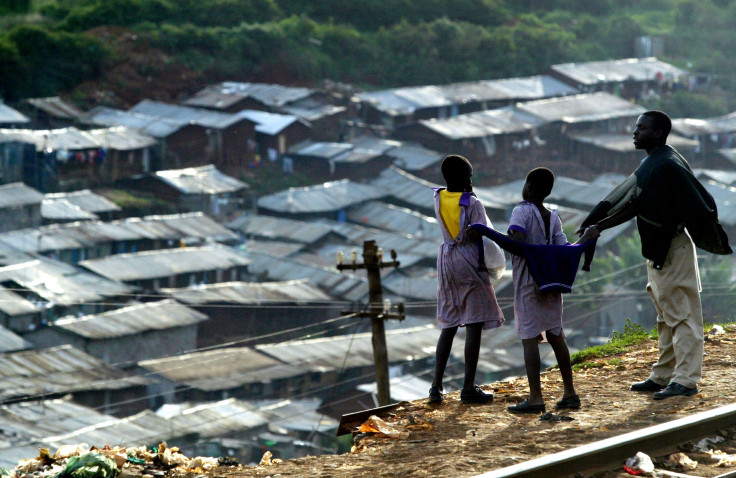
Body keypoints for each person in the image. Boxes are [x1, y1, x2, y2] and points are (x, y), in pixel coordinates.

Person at [578, 110, 732, 400]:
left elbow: (635, 204)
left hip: (673, 248)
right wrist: (598, 226)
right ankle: (663, 375)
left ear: (658, 133)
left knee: (683, 316)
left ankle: (686, 380)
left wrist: (598, 225)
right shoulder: (655, 162)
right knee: (666, 315)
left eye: (642, 128)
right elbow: (634, 203)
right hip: (662, 248)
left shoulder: (664, 164)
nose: (635, 133)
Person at [503, 167, 599, 413]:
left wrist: (506, 237)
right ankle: (569, 392)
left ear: (530, 187)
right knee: (556, 335)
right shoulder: (553, 216)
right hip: (551, 282)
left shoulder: (520, 210)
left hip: (527, 280)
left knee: (528, 337)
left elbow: (516, 240)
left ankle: (535, 397)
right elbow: (563, 248)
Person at [429, 154, 505, 405]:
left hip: (446, 259)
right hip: (469, 260)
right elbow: (484, 235)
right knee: (474, 323)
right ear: (463, 178)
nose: (471, 181)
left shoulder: (438, 197)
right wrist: (491, 264)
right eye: (469, 176)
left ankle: (436, 387)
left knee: (449, 323)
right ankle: (468, 388)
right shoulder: (472, 202)